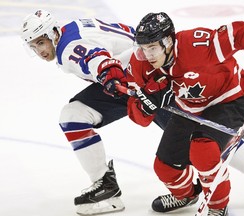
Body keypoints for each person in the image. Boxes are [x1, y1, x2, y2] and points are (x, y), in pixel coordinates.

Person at [113, 12, 244, 215]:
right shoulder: (141, 64)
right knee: (164, 167)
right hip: (189, 108)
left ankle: (217, 207)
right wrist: (145, 105)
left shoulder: (197, 45)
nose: (148, 55)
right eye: (143, 49)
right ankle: (186, 195)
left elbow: (239, 32)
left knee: (202, 151)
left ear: (169, 41)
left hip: (229, 100)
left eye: (152, 48)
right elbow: (138, 115)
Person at [20, 9, 177, 215]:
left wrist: (108, 74)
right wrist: (111, 76)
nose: (39, 51)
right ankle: (105, 185)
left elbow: (96, 57)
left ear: (53, 34)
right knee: (73, 116)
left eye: (41, 42)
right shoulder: (71, 29)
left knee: (194, 135)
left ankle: (198, 192)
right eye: (33, 46)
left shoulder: (69, 49)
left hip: (147, 76)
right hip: (128, 75)